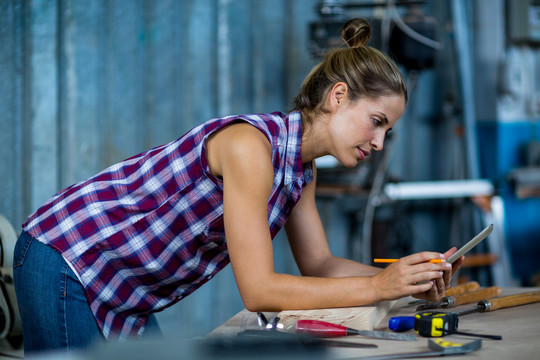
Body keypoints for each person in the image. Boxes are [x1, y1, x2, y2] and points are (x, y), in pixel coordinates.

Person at [13, 18, 463, 354]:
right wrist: (378, 287)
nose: (380, 142)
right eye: (377, 122)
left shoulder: (301, 170)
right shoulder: (252, 147)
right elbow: (259, 290)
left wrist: (407, 279)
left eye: (389, 132)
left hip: (125, 286)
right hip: (69, 253)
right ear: (339, 96)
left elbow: (320, 265)